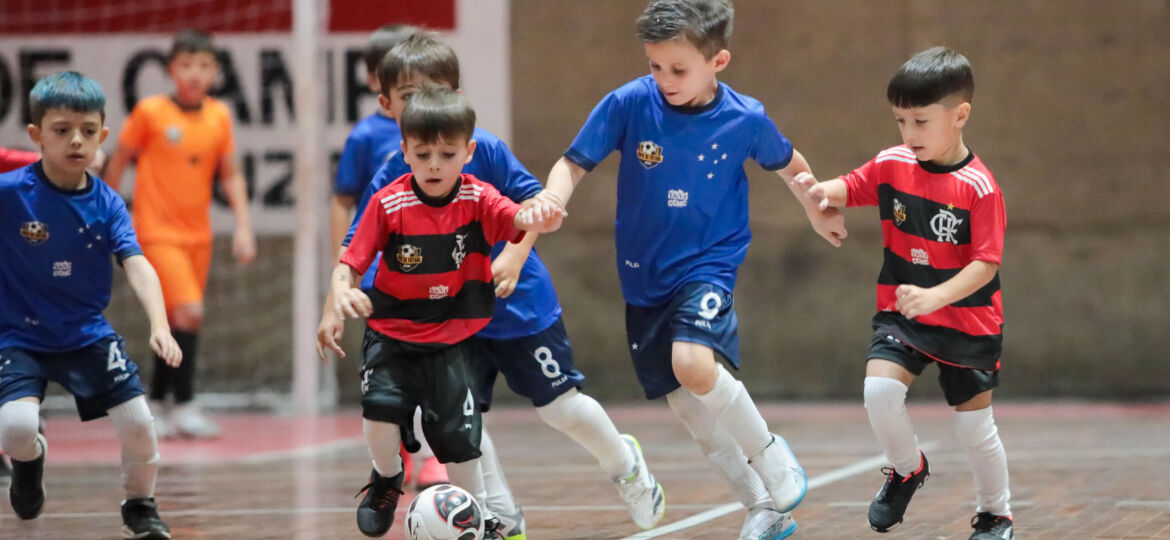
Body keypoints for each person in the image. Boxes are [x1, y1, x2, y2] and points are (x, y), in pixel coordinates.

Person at [318, 32, 667, 537]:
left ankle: (626, 466)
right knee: (461, 422)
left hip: (514, 304)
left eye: (433, 91)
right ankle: (499, 518)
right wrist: (335, 303)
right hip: (445, 319)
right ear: (388, 106)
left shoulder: (486, 153)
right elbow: (357, 247)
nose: (425, 105)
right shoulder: (394, 177)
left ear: (458, 97)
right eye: (410, 97)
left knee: (560, 407)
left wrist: (512, 254)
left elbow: (532, 210)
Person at [531, 1, 848, 538]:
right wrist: (550, 197)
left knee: (695, 366)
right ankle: (762, 508)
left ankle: (770, 450)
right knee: (691, 411)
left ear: (717, 61)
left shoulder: (744, 118)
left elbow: (790, 164)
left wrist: (816, 211)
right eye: (656, 66)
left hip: (708, 262)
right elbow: (573, 162)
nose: (664, 79)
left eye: (678, 69)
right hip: (643, 274)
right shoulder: (629, 103)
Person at [796, 47, 1013, 540]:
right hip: (904, 315)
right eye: (900, 121)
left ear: (959, 116)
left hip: (968, 321)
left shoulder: (980, 189)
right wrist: (815, 192)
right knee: (879, 392)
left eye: (920, 120)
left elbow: (985, 266)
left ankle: (995, 513)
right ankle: (906, 469)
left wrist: (937, 298)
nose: (908, 134)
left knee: (976, 430)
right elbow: (849, 186)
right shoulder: (893, 163)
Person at [331, 86, 562, 539]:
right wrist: (343, 290)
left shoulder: (480, 200)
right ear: (405, 152)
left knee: (461, 443)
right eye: (422, 153)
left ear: (469, 152)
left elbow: (519, 218)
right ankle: (386, 478)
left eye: (447, 152)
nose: (434, 163)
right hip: (392, 334)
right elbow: (351, 260)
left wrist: (542, 216)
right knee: (378, 415)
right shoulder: (387, 203)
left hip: (452, 339)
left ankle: (481, 518)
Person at [0, 71, 180, 540]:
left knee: (140, 424)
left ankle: (140, 506)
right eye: (62, 130)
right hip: (18, 335)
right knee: (14, 428)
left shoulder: (109, 204)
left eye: (86, 131)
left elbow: (137, 264)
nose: (75, 141)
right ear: (37, 135)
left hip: (85, 333)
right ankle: (29, 458)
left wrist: (159, 323)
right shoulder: (9, 194)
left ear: (102, 135)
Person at [105, 28, 256, 439]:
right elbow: (118, 161)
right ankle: (185, 402)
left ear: (215, 72)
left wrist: (243, 226)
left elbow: (231, 173)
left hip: (198, 236)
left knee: (175, 320)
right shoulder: (150, 112)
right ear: (171, 69)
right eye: (186, 65)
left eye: (204, 66)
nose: (194, 74)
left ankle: (157, 402)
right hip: (154, 231)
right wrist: (105, 211)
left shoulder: (219, 116)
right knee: (190, 310)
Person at [328, 22, 449, 493]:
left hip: (438, 270)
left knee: (439, 365)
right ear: (381, 85)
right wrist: (343, 266)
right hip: (382, 270)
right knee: (390, 370)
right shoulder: (367, 138)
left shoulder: (448, 132)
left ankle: (436, 455)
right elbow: (345, 202)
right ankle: (395, 448)